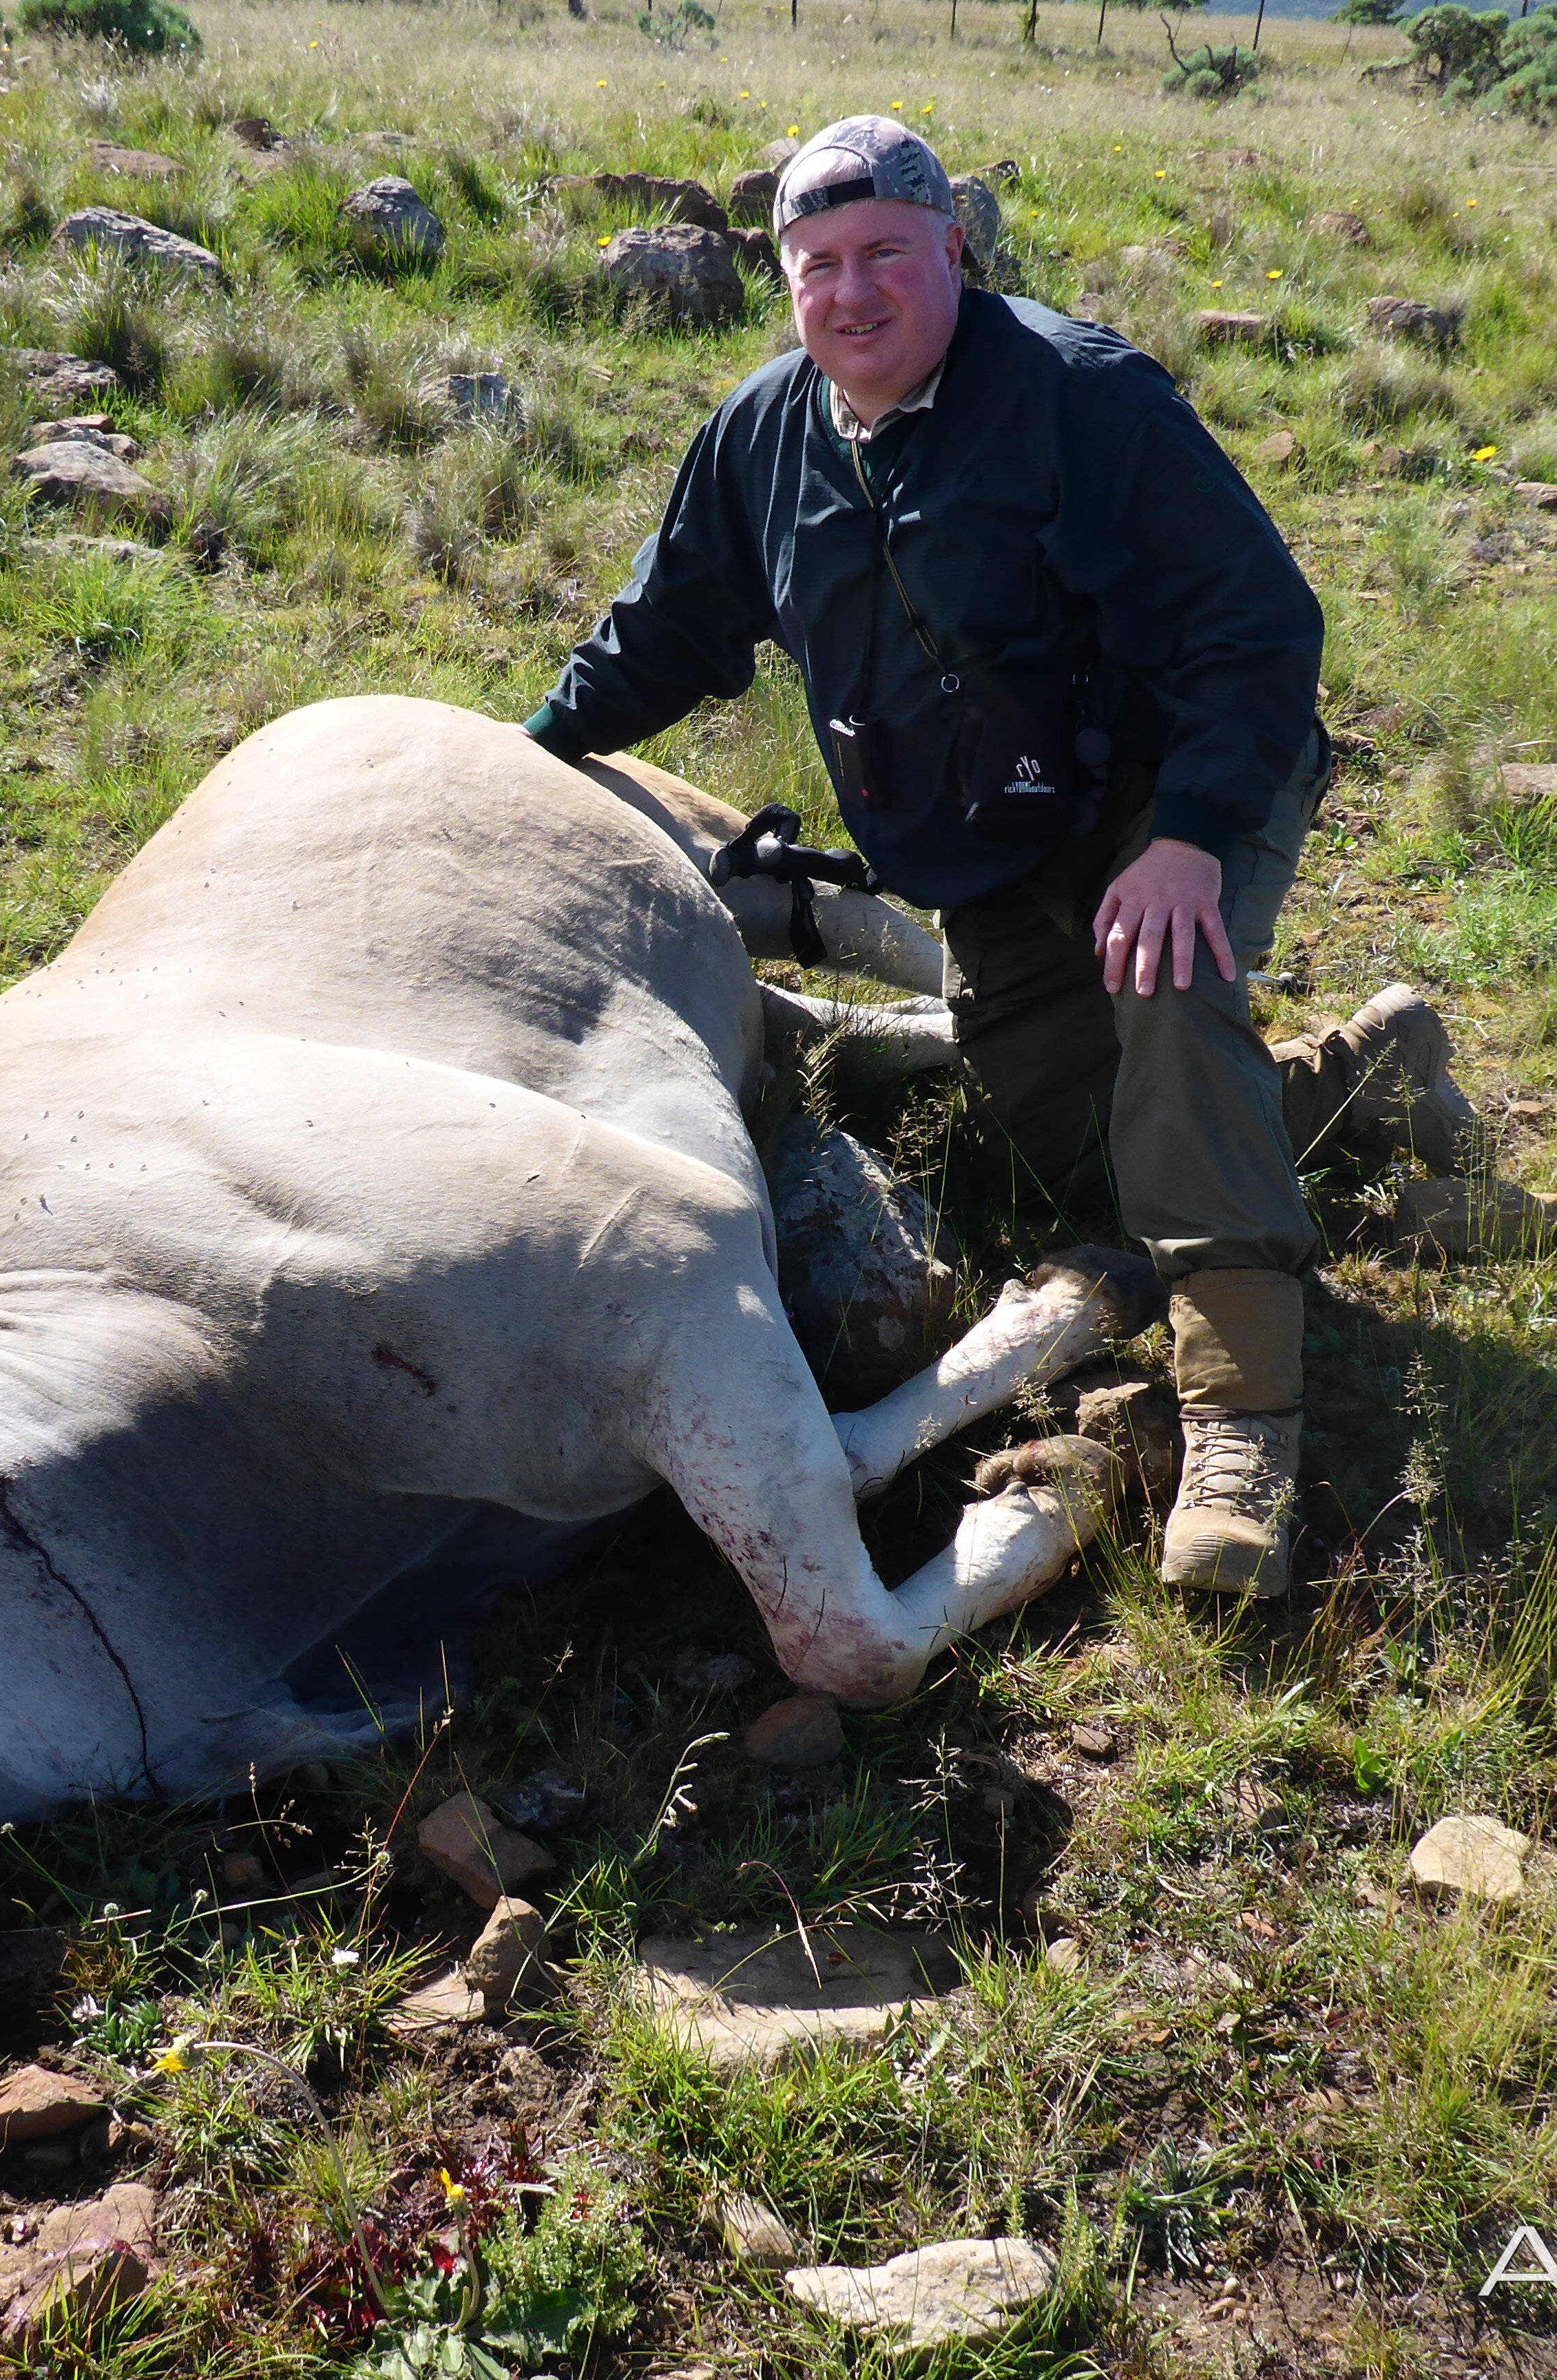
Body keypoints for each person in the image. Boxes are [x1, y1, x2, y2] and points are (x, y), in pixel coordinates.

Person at [519, 116, 1474, 1599]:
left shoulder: (1087, 404)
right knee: (1072, 1148)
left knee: (1163, 986)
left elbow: (1259, 634)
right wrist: (514, 758)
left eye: (885, 256)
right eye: (816, 265)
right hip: (986, 847)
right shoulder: (761, 442)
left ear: (951, 249)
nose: (852, 295)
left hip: (1173, 788)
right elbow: (661, 633)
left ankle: (1243, 1427)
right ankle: (1358, 1074)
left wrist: (1189, 845)